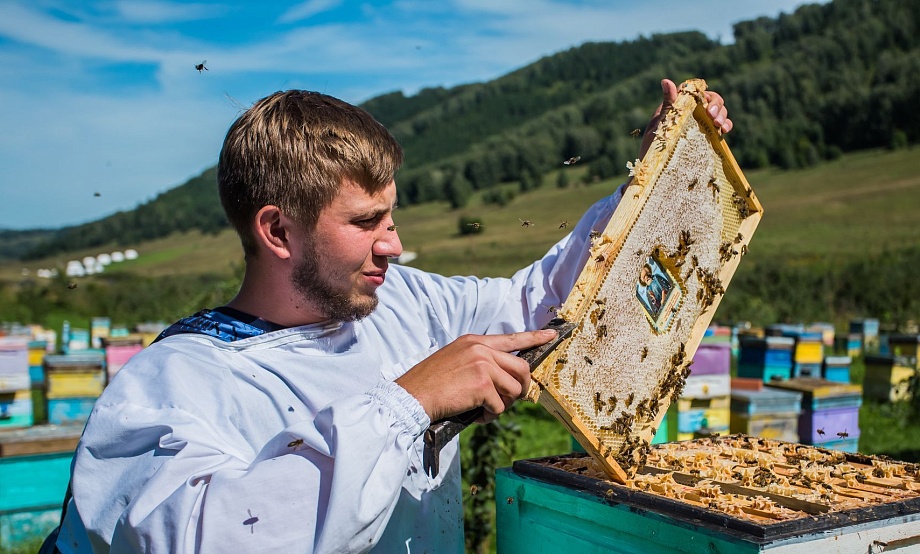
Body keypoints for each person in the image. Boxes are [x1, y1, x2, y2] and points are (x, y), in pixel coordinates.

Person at [49, 79, 731, 553]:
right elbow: (218, 537)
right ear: (278, 231)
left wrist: (654, 186)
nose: (394, 244)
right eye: (365, 222)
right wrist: (410, 402)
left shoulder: (405, 302)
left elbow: (542, 307)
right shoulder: (168, 390)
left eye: (392, 216)